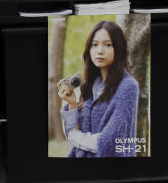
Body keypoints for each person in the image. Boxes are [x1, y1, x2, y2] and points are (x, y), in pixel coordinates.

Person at [56, 20, 140, 158]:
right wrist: (72, 103)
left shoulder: (128, 87)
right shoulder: (91, 85)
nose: (99, 51)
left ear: (118, 49)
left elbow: (111, 141)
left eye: (107, 45)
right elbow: (72, 132)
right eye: (94, 45)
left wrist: (75, 137)